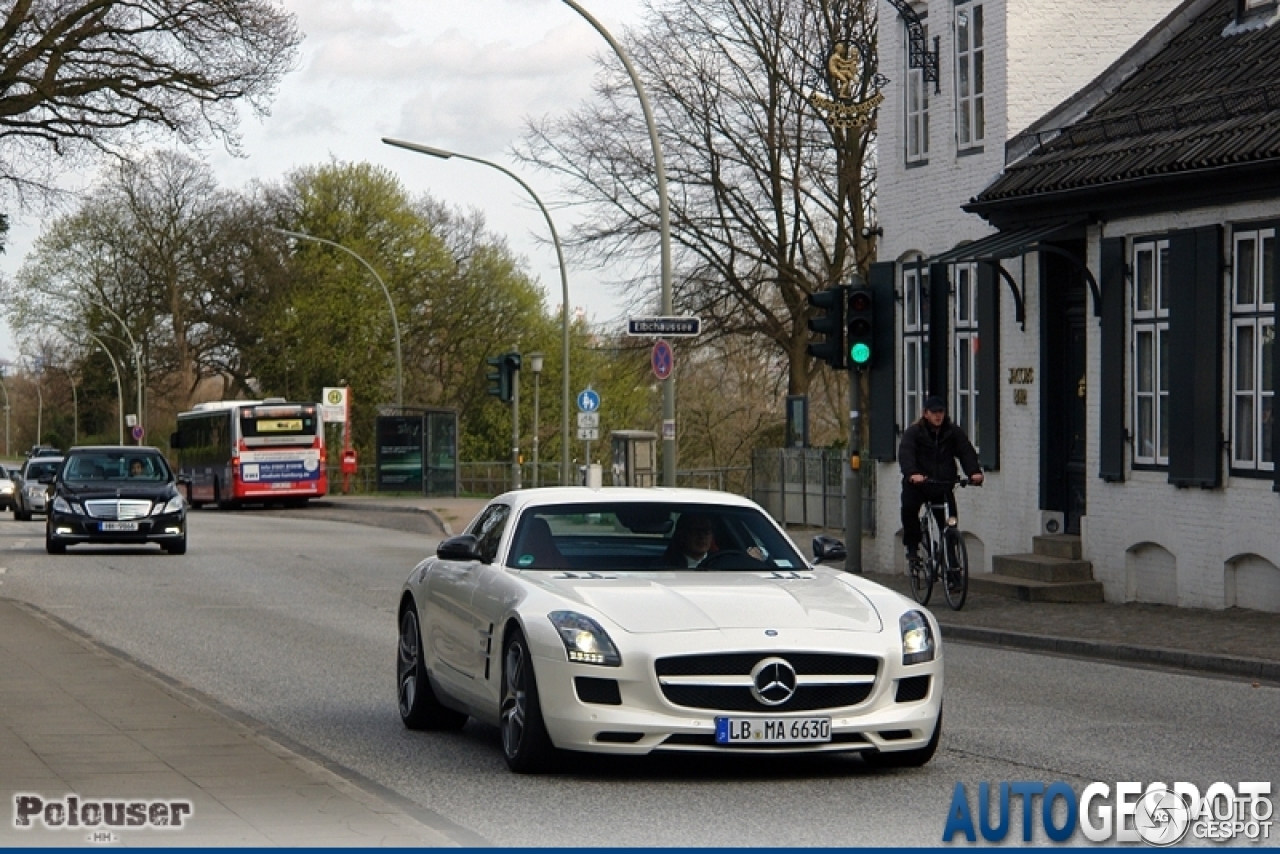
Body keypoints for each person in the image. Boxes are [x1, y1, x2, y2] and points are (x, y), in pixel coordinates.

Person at [899, 396, 983, 566]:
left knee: (950, 525)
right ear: (925, 414)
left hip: (943, 485)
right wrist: (912, 473)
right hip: (919, 485)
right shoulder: (914, 433)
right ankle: (913, 548)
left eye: (941, 412)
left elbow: (965, 451)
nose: (938, 416)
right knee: (909, 510)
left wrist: (974, 472)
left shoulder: (952, 432)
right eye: (934, 412)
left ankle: (952, 569)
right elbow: (906, 454)